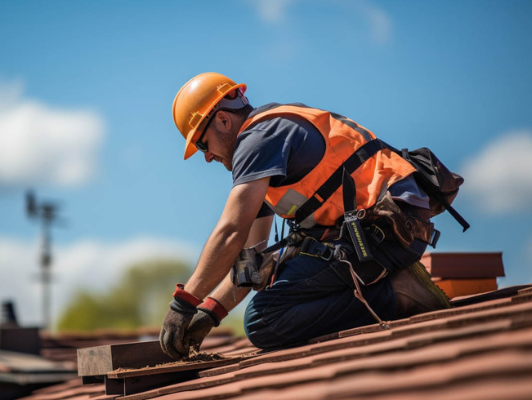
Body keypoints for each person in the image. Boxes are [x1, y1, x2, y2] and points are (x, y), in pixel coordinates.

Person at [159, 72, 453, 359]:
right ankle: (387, 285)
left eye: (201, 144)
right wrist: (210, 312)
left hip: (385, 233)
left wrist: (184, 303)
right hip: (385, 231)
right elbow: (251, 259)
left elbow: (231, 232)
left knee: (265, 320)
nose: (207, 156)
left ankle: (398, 292)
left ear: (223, 120)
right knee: (274, 285)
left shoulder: (257, 139)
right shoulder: (267, 145)